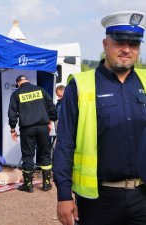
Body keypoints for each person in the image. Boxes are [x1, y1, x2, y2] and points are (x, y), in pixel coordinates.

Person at [53, 11, 146, 225]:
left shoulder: (144, 82)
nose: (126, 49)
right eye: (119, 42)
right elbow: (65, 143)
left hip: (143, 198)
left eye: (133, 44)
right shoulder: (81, 85)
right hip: (98, 201)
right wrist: (64, 195)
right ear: (105, 44)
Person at [8, 75, 57, 192]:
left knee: (28, 155)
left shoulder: (16, 94)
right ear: (27, 81)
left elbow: (12, 113)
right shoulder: (41, 90)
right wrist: (51, 120)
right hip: (42, 127)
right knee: (45, 154)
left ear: (18, 83)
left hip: (27, 129)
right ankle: (46, 184)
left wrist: (13, 129)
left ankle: (28, 185)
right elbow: (51, 106)